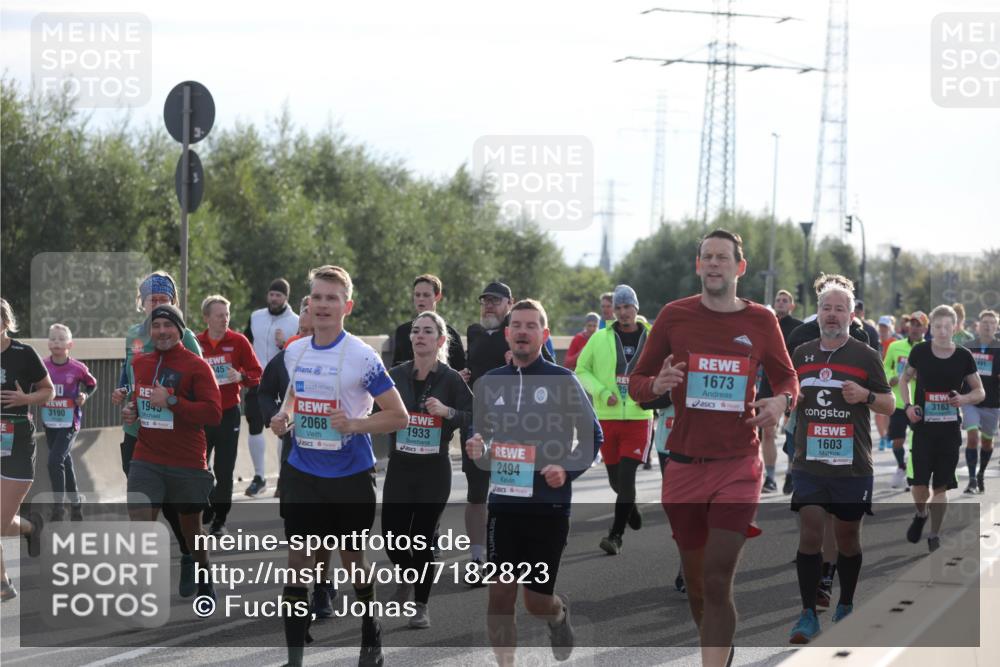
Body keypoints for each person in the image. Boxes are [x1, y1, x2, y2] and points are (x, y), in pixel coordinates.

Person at [628, 229, 798, 667]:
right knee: (699, 583)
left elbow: (786, 377)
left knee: (718, 578)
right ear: (698, 265)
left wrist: (781, 401)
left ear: (739, 268)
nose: (715, 264)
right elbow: (638, 384)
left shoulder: (761, 320)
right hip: (683, 465)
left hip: (739, 464)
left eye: (724, 257)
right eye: (708, 257)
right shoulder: (673, 315)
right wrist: (656, 385)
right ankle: (719, 651)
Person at [269, 265, 408, 667]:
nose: (324, 304)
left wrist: (356, 424)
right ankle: (294, 658)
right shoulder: (294, 351)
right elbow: (295, 396)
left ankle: (371, 630)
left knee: (352, 561)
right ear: (308, 303)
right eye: (318, 297)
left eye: (332, 298)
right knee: (298, 563)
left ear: (347, 306)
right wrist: (283, 418)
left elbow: (398, 416)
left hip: (349, 475)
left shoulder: (362, 357)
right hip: (303, 472)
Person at [465, 299, 602, 666]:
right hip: (504, 504)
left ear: (543, 334)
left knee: (536, 601)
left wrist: (567, 469)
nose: (523, 332)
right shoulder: (490, 382)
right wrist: (477, 444)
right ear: (508, 334)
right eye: (517, 326)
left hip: (547, 505)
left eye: (531, 326)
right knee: (500, 597)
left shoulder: (563, 380)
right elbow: (481, 433)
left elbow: (592, 436)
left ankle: (557, 615)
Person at [785, 283, 894, 643]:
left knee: (847, 538)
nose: (832, 315)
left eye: (839, 309)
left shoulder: (865, 355)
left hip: (852, 465)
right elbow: (786, 393)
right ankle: (806, 615)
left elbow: (889, 404)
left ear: (851, 315)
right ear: (819, 313)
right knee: (811, 531)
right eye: (826, 308)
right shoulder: (801, 353)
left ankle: (846, 605)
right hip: (809, 463)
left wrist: (866, 395)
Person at [111, 271, 203, 596]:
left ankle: (189, 554)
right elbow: (129, 377)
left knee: (173, 505)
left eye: (163, 300)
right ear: (142, 303)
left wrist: (173, 400)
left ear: (173, 303)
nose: (157, 306)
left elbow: (199, 384)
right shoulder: (133, 337)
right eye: (152, 300)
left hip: (174, 435)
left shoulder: (186, 337)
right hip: (137, 431)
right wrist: (124, 395)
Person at [121, 305, 222, 602]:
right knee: (140, 522)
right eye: (156, 326)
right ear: (150, 332)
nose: (162, 331)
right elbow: (141, 400)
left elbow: (214, 413)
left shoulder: (196, 366)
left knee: (191, 529)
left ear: (179, 330)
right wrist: (132, 411)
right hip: (146, 457)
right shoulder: (141, 363)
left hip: (187, 461)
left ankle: (203, 573)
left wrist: (173, 400)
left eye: (168, 325)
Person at [382, 311, 473, 628]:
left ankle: (420, 605)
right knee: (392, 536)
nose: (420, 335)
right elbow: (369, 405)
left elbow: (474, 416)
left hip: (434, 468)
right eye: (416, 331)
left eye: (427, 331)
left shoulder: (450, 379)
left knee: (421, 538)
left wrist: (447, 411)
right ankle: (408, 575)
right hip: (401, 465)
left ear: (440, 340)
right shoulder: (394, 375)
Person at [460, 280, 555, 582]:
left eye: (496, 300)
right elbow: (468, 371)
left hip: (514, 431)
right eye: (485, 300)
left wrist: (518, 364)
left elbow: (550, 369)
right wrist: (462, 375)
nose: (489, 305)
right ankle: (477, 558)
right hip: (478, 426)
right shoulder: (474, 333)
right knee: (476, 495)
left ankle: (514, 556)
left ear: (509, 303)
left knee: (511, 496)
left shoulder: (521, 334)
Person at [575, 284, 653, 555]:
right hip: (607, 418)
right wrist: (601, 391)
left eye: (627, 307)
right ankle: (630, 507)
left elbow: (667, 365)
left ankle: (615, 535)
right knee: (615, 482)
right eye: (618, 308)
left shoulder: (653, 337)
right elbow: (581, 369)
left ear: (636, 308)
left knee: (627, 478)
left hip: (639, 416)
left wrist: (653, 392)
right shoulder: (599, 338)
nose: (622, 312)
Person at [899, 305, 984, 552]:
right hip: (923, 429)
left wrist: (963, 399)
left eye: (948, 326)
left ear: (955, 327)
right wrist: (908, 406)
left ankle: (934, 534)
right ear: (931, 328)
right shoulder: (920, 351)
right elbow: (905, 379)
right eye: (938, 327)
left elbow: (980, 391)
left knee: (940, 487)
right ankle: (921, 513)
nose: (943, 331)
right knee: (919, 485)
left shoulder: (963, 355)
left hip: (949, 432)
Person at [1, 298, 55, 602]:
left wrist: (25, 400)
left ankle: (31, 527)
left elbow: (49, 390)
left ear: (6, 323)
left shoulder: (23, 353)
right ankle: (3, 584)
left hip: (17, 442)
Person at [196, 295, 263, 536]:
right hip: (201, 414)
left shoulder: (238, 341)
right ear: (207, 318)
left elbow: (258, 373)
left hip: (228, 414)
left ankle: (219, 521)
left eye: (227, 314)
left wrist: (241, 377)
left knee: (225, 470)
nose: (225, 319)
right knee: (199, 467)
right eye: (219, 315)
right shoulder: (195, 343)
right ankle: (208, 500)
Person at [243, 278, 299, 497]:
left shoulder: (295, 321)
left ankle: (282, 476)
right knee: (254, 426)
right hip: (258, 381)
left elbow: (301, 346)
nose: (274, 299)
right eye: (272, 294)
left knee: (283, 429)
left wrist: (283, 343)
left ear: (286, 297)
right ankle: (259, 477)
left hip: (284, 383)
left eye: (279, 295)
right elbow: (245, 344)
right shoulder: (256, 317)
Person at [41, 323, 97, 521]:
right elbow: (33, 385)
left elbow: (92, 384)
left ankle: (59, 507)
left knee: (54, 461)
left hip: (69, 422)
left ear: (70, 344)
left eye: (61, 339)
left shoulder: (77, 368)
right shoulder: (42, 366)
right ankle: (76, 503)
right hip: (49, 422)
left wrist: (84, 395)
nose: (56, 342)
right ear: (48, 343)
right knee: (64, 461)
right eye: (53, 338)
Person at [762, 289, 803, 494]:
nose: (780, 303)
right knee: (767, 431)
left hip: (791, 385)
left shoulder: (799, 328)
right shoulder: (765, 324)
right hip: (767, 385)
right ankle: (769, 477)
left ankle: (790, 473)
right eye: (778, 300)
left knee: (791, 432)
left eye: (785, 300)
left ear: (792, 306)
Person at [883, 311, 929, 489]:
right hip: (899, 402)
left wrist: (921, 376)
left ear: (925, 328)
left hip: (919, 403)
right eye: (912, 324)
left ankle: (912, 473)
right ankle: (901, 466)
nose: (915, 328)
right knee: (897, 441)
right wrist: (891, 376)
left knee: (917, 442)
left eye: (919, 325)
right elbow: (885, 366)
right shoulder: (895, 346)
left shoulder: (929, 348)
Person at [390, 274, 466, 370]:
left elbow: (461, 371)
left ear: (437, 297)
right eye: (417, 295)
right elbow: (395, 369)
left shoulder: (450, 334)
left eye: (426, 295)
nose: (421, 299)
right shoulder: (402, 331)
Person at [961, 310, 1000, 493]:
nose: (988, 325)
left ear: (996, 326)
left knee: (986, 442)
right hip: (971, 400)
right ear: (978, 325)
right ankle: (971, 480)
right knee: (972, 437)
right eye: (985, 322)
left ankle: (981, 474)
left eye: (992, 323)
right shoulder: (968, 347)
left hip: (992, 402)